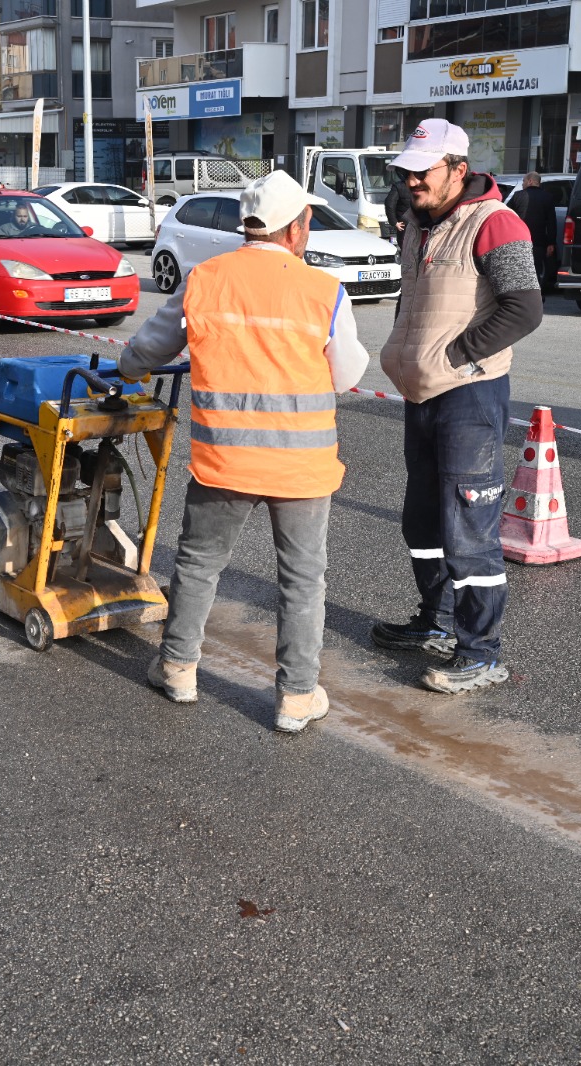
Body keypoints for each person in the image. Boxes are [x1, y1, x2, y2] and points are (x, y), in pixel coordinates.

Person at [118, 170, 369, 733]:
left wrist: (125, 369)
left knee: (199, 564)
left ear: (249, 226)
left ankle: (178, 669)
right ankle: (297, 698)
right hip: (301, 467)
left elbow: (152, 346)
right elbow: (347, 374)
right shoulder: (324, 290)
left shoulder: (207, 279)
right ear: (297, 228)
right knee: (302, 580)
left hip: (224, 461)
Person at [372, 120, 543, 694]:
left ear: (458, 170)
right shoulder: (419, 225)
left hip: (469, 393)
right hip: (422, 392)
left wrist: (458, 355)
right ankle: (437, 622)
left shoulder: (495, 222)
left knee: (470, 525)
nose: (411, 178)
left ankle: (480, 651)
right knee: (422, 521)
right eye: (406, 170)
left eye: (423, 170)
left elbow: (524, 309)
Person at [508, 172, 557, 288]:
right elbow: (551, 222)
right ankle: (537, 295)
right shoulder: (548, 197)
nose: (522, 184)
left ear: (530, 181)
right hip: (539, 242)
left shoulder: (518, 196)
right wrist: (551, 243)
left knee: (519, 270)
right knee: (536, 270)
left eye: (524, 181)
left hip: (519, 240)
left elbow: (507, 215)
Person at [381, 171, 414, 237]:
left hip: (404, 224)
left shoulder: (398, 186)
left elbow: (389, 203)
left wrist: (394, 222)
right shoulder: (421, 186)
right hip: (419, 224)